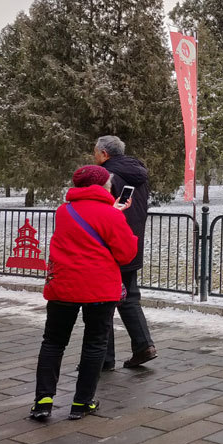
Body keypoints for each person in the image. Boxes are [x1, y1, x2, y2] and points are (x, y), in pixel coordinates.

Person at [30, 165, 138, 420]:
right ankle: (82, 403)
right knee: (94, 343)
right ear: (103, 187)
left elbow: (86, 221)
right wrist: (119, 218)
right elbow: (125, 253)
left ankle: (43, 401)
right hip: (99, 288)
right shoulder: (111, 216)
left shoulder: (64, 211)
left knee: (53, 342)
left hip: (63, 286)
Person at [93, 135, 157, 368]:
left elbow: (99, 211)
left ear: (104, 154)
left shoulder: (105, 176)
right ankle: (143, 345)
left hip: (108, 245)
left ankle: (103, 357)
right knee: (129, 296)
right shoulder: (137, 173)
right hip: (131, 243)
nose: (94, 155)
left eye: (95, 151)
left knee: (103, 300)